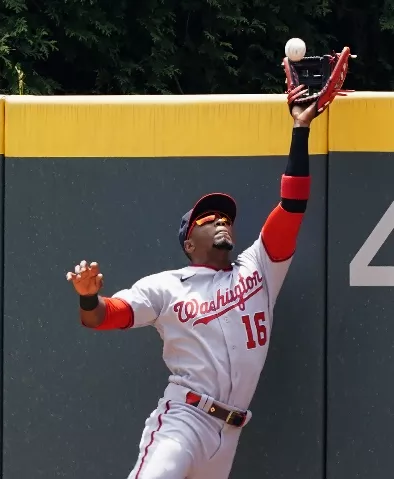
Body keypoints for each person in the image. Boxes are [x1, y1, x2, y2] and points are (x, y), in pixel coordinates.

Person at [66, 98, 317, 479]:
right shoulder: (166, 286)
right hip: (184, 421)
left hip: (230, 432)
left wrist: (300, 130)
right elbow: (106, 316)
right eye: (208, 218)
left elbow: (293, 205)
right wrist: (88, 296)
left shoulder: (259, 268)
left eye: (226, 218)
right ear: (188, 243)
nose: (221, 222)